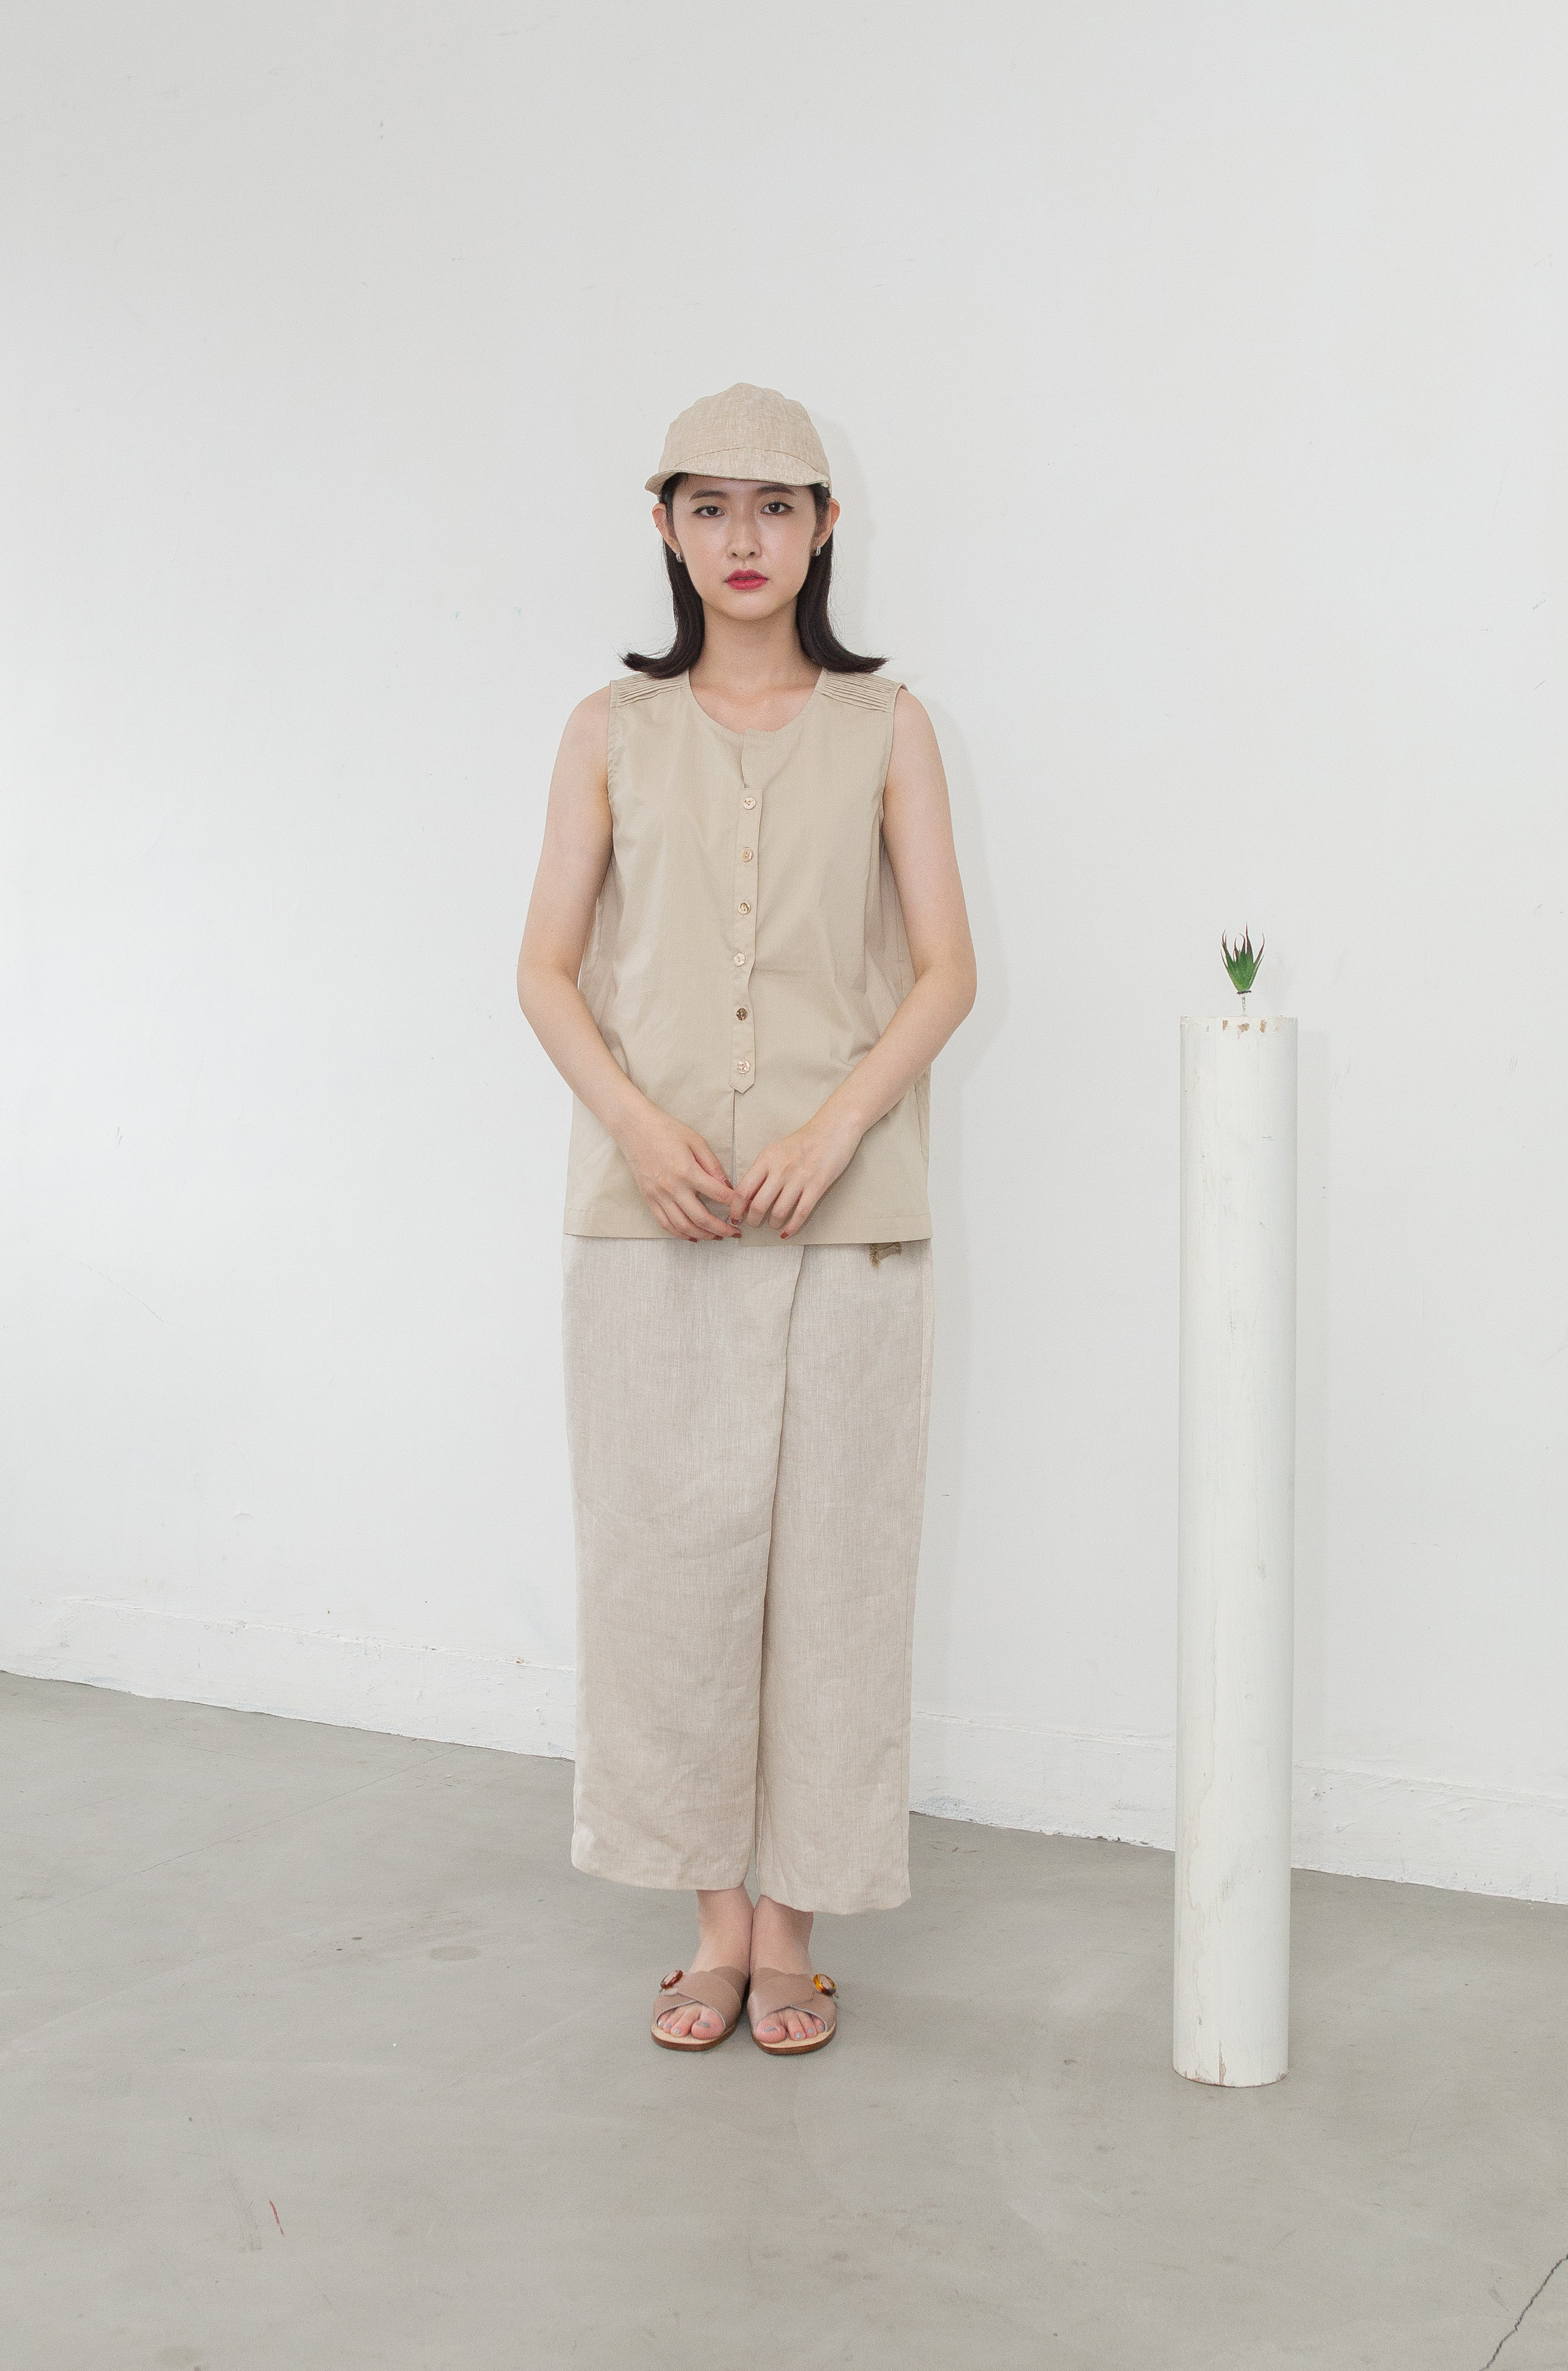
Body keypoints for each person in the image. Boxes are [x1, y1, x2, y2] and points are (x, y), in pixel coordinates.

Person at [516, 383, 976, 2055]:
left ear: (826, 528)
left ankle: (796, 1934)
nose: (743, 540)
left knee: (836, 1573)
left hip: (847, 1224)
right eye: (709, 507)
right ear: (664, 527)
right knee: (670, 1569)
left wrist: (836, 1127)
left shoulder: (890, 728)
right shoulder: (607, 731)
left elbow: (945, 973)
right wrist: (640, 1134)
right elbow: (544, 971)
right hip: (658, 1222)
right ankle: (715, 1926)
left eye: (776, 507)